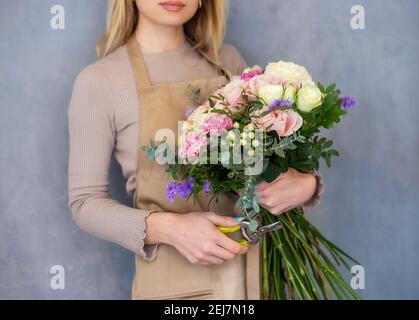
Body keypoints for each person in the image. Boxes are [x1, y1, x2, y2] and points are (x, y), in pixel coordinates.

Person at [68, 0, 323, 300]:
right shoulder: (100, 82)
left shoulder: (228, 62)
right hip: (176, 292)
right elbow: (84, 203)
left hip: (260, 280)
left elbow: (265, 169)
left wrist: (306, 185)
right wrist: (170, 229)